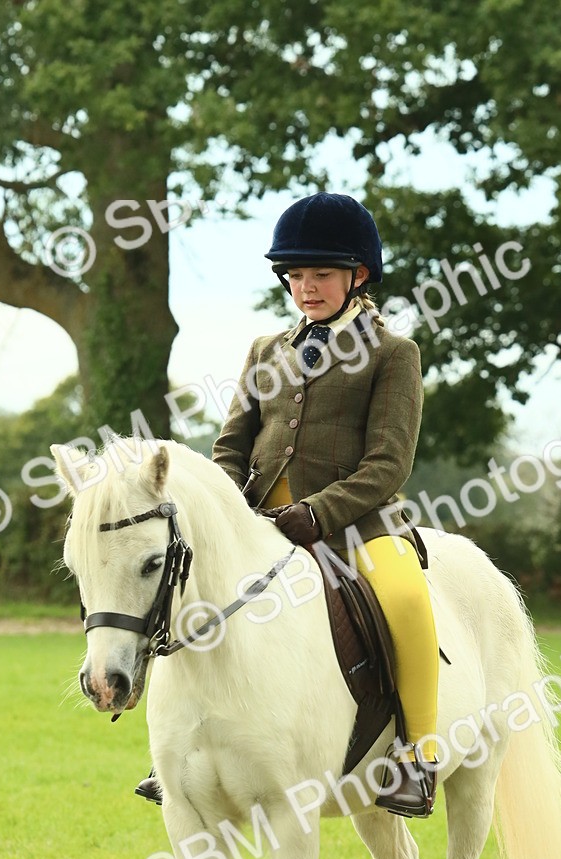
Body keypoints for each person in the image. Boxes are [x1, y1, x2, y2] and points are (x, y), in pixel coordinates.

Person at [137, 192, 439, 818]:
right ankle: (178, 747)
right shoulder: (264, 350)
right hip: (257, 526)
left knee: (407, 596)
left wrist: (316, 514)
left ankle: (417, 753)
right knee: (187, 595)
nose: (306, 288)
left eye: (321, 275)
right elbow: (231, 446)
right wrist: (221, 508)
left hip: (356, 527)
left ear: (358, 276)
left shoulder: (393, 355)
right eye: (296, 276)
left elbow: (388, 465)